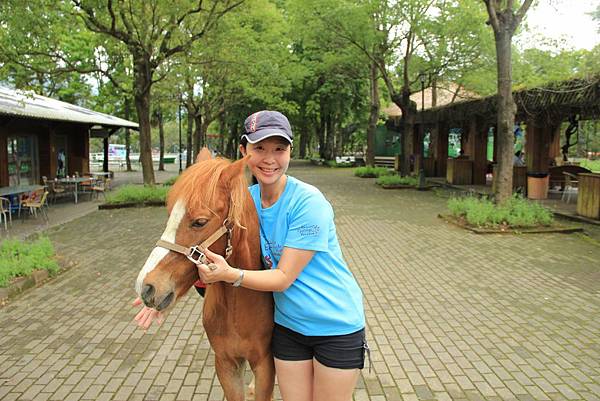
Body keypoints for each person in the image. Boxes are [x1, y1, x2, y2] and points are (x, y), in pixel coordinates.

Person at [134, 110, 367, 401]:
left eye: (279, 149)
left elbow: (282, 278)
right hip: (289, 328)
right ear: (244, 152)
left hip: (333, 324)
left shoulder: (309, 203)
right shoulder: (244, 201)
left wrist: (229, 275)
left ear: (290, 152)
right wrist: (168, 290)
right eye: (260, 149)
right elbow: (210, 244)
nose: (270, 159)